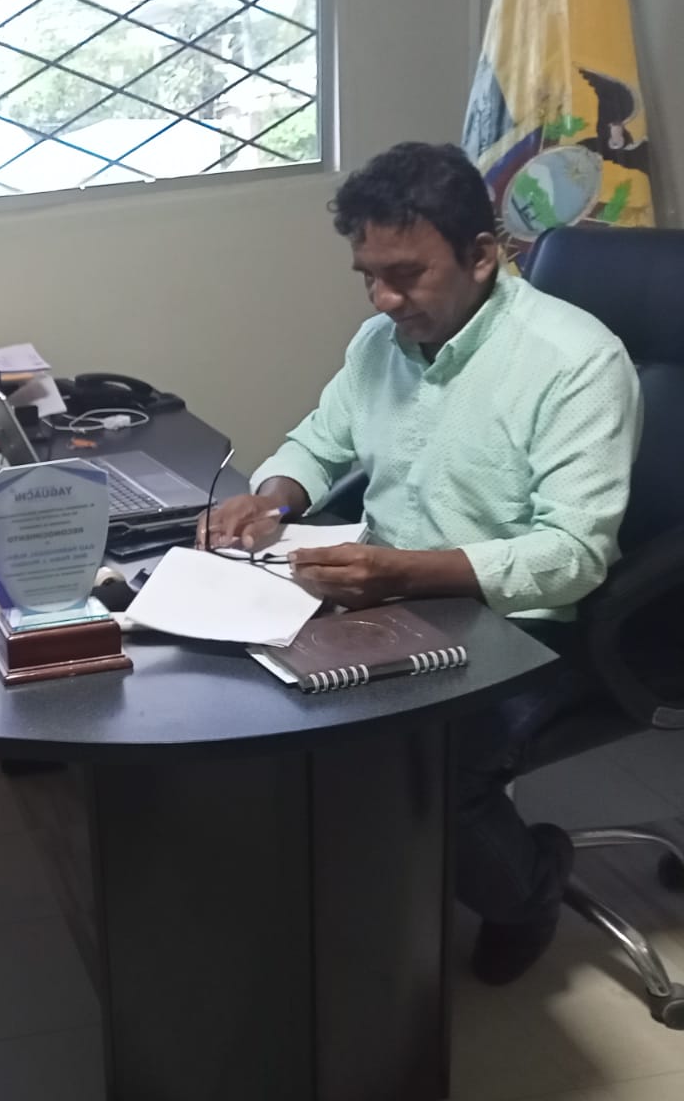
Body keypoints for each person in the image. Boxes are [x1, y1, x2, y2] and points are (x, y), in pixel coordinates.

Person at [200, 142, 641, 986]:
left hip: (524, 625)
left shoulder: (574, 362)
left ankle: (530, 890)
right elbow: (319, 441)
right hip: (390, 597)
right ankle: (356, 883)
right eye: (367, 276)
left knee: (425, 770)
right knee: (251, 698)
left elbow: (574, 555)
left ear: (482, 255)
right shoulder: (382, 342)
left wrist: (402, 572)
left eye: (405, 276)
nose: (383, 299)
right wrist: (275, 499)